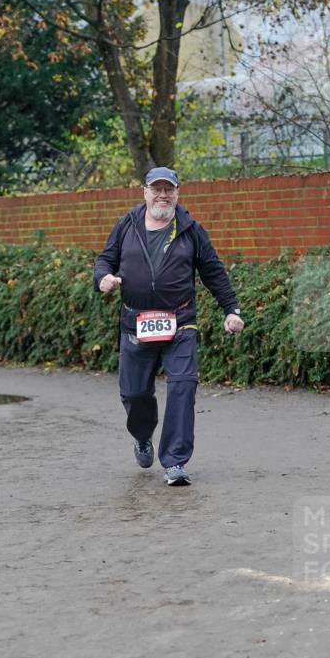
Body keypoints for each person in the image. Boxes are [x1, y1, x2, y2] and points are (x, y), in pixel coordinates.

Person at [94, 166, 244, 486]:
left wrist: (231, 310)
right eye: (156, 189)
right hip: (135, 324)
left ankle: (175, 461)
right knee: (134, 394)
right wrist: (103, 277)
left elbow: (213, 272)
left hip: (180, 323)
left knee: (183, 385)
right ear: (145, 192)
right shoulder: (126, 225)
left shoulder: (191, 230)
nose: (162, 195)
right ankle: (142, 436)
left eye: (169, 189)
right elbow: (105, 259)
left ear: (177, 193)